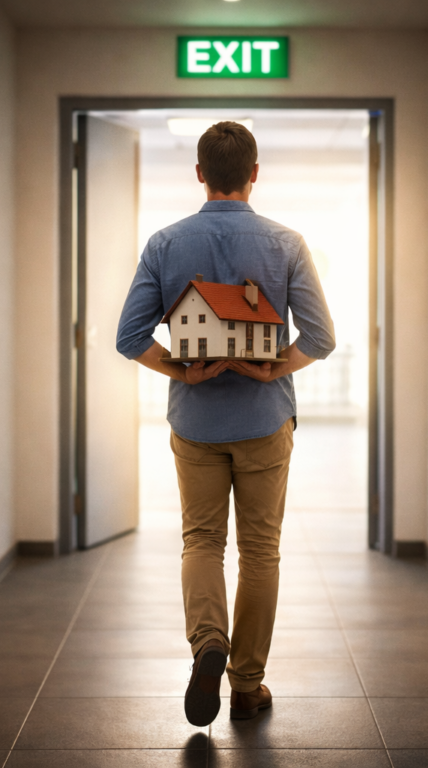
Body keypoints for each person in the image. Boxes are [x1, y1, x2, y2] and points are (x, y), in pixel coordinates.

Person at [116, 121, 335, 726]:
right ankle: (246, 685)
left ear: (200, 174)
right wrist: (274, 369)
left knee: (202, 541)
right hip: (265, 420)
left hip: (196, 425)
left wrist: (183, 373)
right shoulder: (285, 244)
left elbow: (129, 338)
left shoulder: (165, 244)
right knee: (260, 551)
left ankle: (208, 643)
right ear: (254, 174)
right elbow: (321, 337)